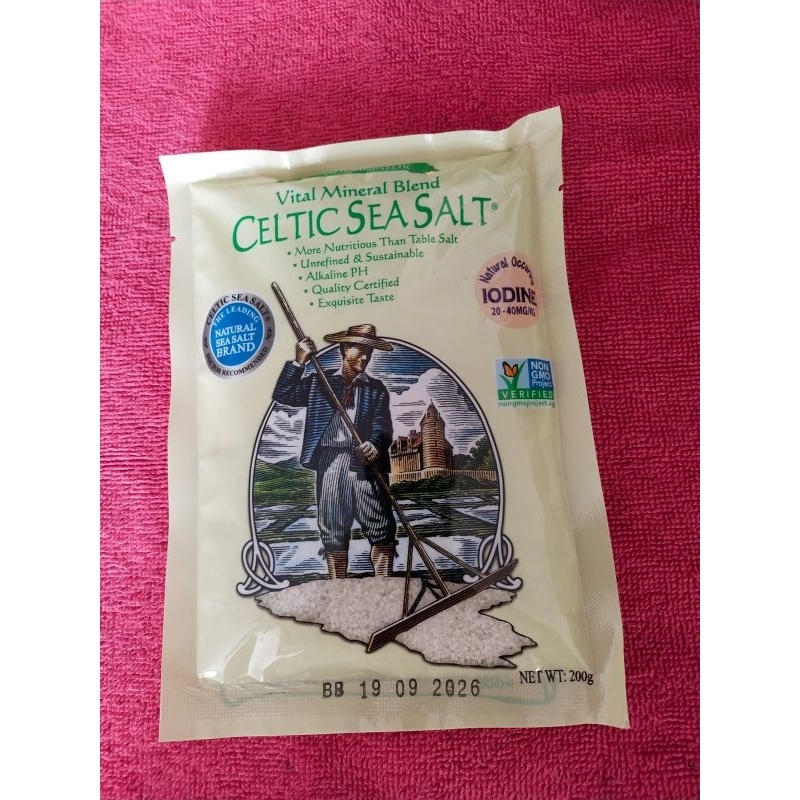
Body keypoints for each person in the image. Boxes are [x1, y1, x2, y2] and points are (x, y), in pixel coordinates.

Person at [273, 324, 397, 579]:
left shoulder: (376, 388)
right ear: (344, 349)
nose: (365, 357)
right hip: (330, 462)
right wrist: (299, 361)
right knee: (333, 529)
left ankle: (385, 586)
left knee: (381, 527)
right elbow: (283, 394)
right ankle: (337, 587)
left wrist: (374, 444)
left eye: (369, 352)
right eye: (360, 350)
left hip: (365, 463)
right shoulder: (319, 381)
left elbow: (383, 426)